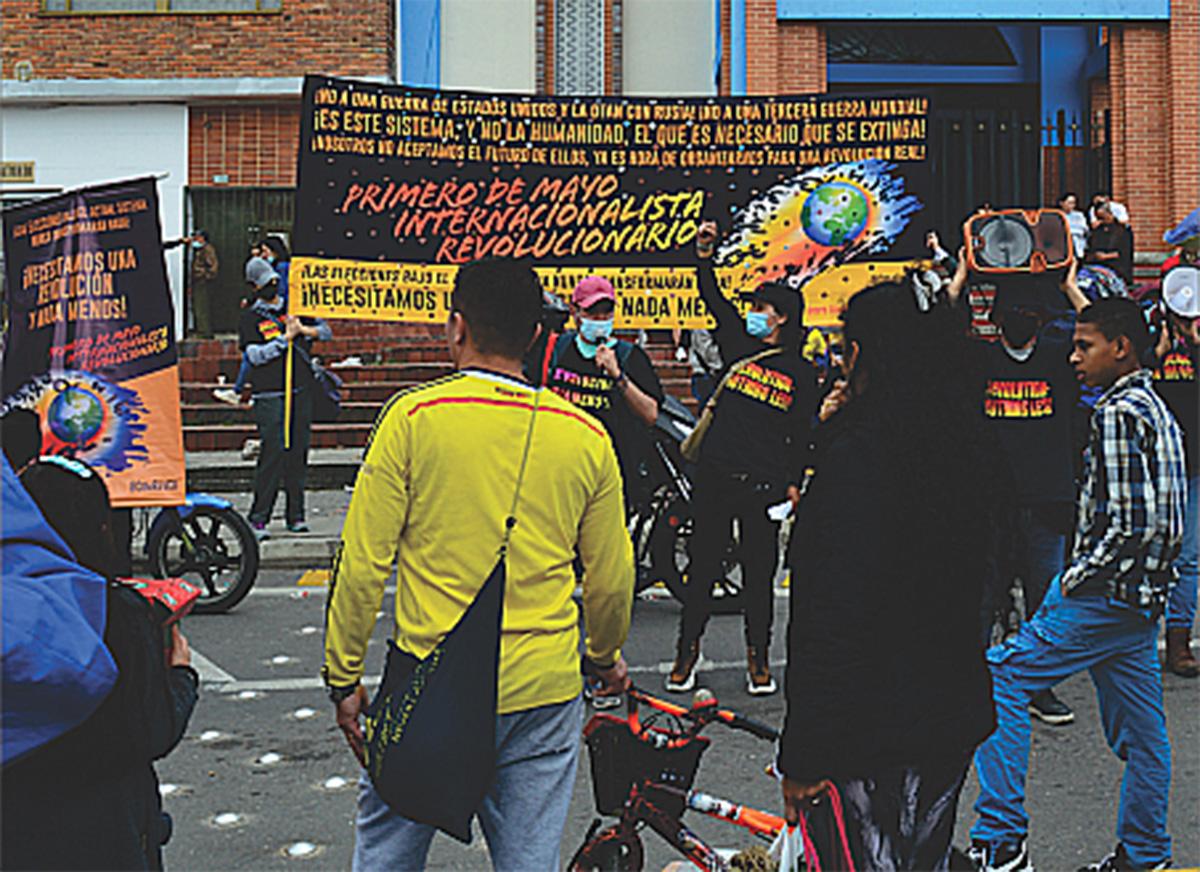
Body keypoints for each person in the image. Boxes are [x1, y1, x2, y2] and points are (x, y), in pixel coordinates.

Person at [323, 258, 633, 871]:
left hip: (428, 687)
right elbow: (611, 578)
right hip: (543, 691)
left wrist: (343, 676)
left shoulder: (412, 419)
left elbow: (361, 564)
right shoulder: (587, 437)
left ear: (456, 327)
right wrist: (603, 655)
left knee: (387, 855)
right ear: (539, 337)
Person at [777, 281, 1000, 870]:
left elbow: (831, 619)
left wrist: (802, 754)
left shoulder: (859, 460)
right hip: (946, 714)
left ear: (867, 354)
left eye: (847, 347)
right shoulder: (964, 447)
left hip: (869, 730)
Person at [969, 298, 1186, 872]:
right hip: (1138, 604)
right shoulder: (1155, 408)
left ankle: (1001, 840)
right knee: (1144, 737)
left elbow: (1138, 524)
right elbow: (1169, 522)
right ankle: (1145, 855)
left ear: (1122, 347)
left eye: (1084, 346)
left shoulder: (1117, 413)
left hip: (1103, 597)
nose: (1073, 358)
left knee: (1001, 675)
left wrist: (1075, 578)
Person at [3, 456, 198, 870]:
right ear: (101, 528)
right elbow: (153, 727)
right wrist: (182, 675)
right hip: (109, 836)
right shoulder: (115, 612)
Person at [667, 219, 819, 696]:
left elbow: (802, 434)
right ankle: (686, 654)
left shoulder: (800, 370)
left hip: (763, 487)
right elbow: (711, 297)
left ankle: (758, 659)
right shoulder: (738, 346)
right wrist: (703, 255)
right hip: (715, 479)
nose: (754, 314)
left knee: (759, 577)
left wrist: (793, 483)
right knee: (702, 571)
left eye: (763, 308)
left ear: (784, 318)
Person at [947, 258, 1083, 725]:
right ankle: (972, 684)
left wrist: (1068, 285)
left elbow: (1108, 329)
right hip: (990, 506)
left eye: (1029, 315)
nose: (1020, 322)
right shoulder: (980, 361)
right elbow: (937, 335)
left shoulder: (1060, 359)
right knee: (982, 598)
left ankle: (1039, 687)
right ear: (996, 320)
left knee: (1046, 603)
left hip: (1047, 503)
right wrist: (963, 277)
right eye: (1011, 315)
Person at [538, 275, 663, 511]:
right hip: (560, 470)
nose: (600, 319)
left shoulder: (630, 356)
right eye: (592, 312)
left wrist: (617, 375)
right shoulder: (556, 349)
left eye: (606, 312)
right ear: (576, 312)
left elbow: (651, 414)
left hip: (613, 473)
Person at [238, 256, 331, 536]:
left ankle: (296, 515)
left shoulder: (296, 309)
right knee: (273, 452)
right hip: (270, 394)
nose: (273, 287)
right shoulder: (250, 317)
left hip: (299, 390)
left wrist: (303, 329)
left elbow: (326, 332)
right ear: (255, 286)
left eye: (275, 282)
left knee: (298, 453)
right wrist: (284, 341)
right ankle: (259, 517)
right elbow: (254, 355)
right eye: (266, 284)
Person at [1152, 252, 1199, 677]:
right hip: (1157, 463)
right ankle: (1142, 643)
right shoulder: (1149, 332)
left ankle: (1180, 642)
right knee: (1151, 552)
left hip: (1195, 464)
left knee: (1189, 557)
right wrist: (1158, 351)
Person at [1086, 203, 1135, 288]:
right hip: (1097, 266)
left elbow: (1125, 253)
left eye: (1103, 218)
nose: (1101, 221)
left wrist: (1106, 256)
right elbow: (1090, 248)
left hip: (1116, 268)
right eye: (1099, 218)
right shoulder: (1097, 231)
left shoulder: (1123, 232)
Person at [1059, 192, 1089, 259]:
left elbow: (1084, 229)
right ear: (1062, 203)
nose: (1072, 206)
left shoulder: (1079, 215)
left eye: (1073, 203)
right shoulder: (1058, 215)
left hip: (1077, 241)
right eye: (1069, 203)